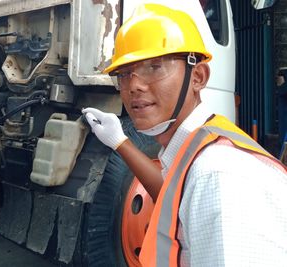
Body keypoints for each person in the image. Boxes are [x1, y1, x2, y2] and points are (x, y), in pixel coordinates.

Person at [82, 3, 287, 267]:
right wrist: (119, 141)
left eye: (154, 67)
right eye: (123, 75)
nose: (134, 85)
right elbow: (172, 197)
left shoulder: (218, 175)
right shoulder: (196, 149)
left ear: (198, 77)